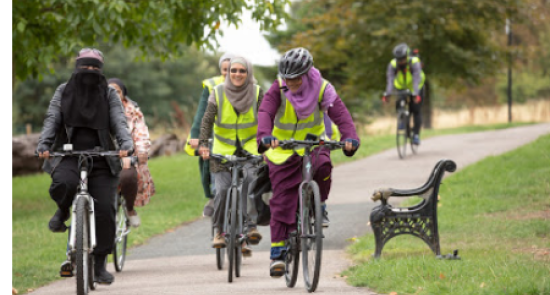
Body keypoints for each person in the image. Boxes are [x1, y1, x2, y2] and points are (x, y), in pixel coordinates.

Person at [257, 47, 360, 277]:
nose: (290, 82)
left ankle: (318, 203)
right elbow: (265, 111)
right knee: (283, 198)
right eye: (287, 77)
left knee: (323, 166)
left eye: (295, 78)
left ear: (306, 73)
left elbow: (341, 115)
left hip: (313, 144)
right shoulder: (278, 88)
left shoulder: (322, 88)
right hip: (282, 148)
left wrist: (350, 137)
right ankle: (278, 253)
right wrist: (265, 135)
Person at [36, 48, 134, 285]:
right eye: (85, 67)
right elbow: (52, 119)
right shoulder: (63, 91)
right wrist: (44, 143)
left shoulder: (109, 94)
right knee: (63, 183)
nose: (89, 73)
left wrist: (125, 142)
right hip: (69, 155)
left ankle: (99, 265)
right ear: (76, 68)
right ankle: (62, 210)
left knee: (105, 213)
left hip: (102, 158)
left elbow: (119, 120)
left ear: (101, 71)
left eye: (94, 68)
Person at [198, 56, 264, 257]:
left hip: (250, 147)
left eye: (242, 71)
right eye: (233, 70)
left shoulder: (258, 92)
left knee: (252, 183)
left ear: (248, 73)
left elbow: (265, 118)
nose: (237, 74)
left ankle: (250, 225)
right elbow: (207, 120)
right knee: (222, 189)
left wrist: (267, 143)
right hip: (222, 150)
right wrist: (203, 144)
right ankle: (219, 231)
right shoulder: (217, 92)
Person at [187, 53, 235, 217]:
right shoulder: (212, 85)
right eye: (225, 70)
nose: (229, 73)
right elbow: (202, 113)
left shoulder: (250, 86)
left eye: (233, 69)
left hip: (241, 134)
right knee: (208, 156)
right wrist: (196, 136)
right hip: (216, 132)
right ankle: (214, 196)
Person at [108, 78, 156, 228]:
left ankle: (129, 209)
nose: (113, 94)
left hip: (127, 155)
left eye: (117, 91)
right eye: (109, 90)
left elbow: (141, 134)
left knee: (128, 176)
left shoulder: (133, 111)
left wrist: (141, 152)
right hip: (103, 155)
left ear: (123, 94)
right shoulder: (96, 109)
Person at [382, 43, 425, 145]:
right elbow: (390, 80)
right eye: (398, 59)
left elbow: (416, 79)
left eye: (402, 58)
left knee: (415, 110)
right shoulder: (393, 64)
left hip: (417, 86)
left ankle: (416, 135)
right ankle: (402, 120)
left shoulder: (414, 62)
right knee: (399, 101)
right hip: (401, 86)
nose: (401, 61)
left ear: (407, 56)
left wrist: (415, 94)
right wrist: (387, 94)